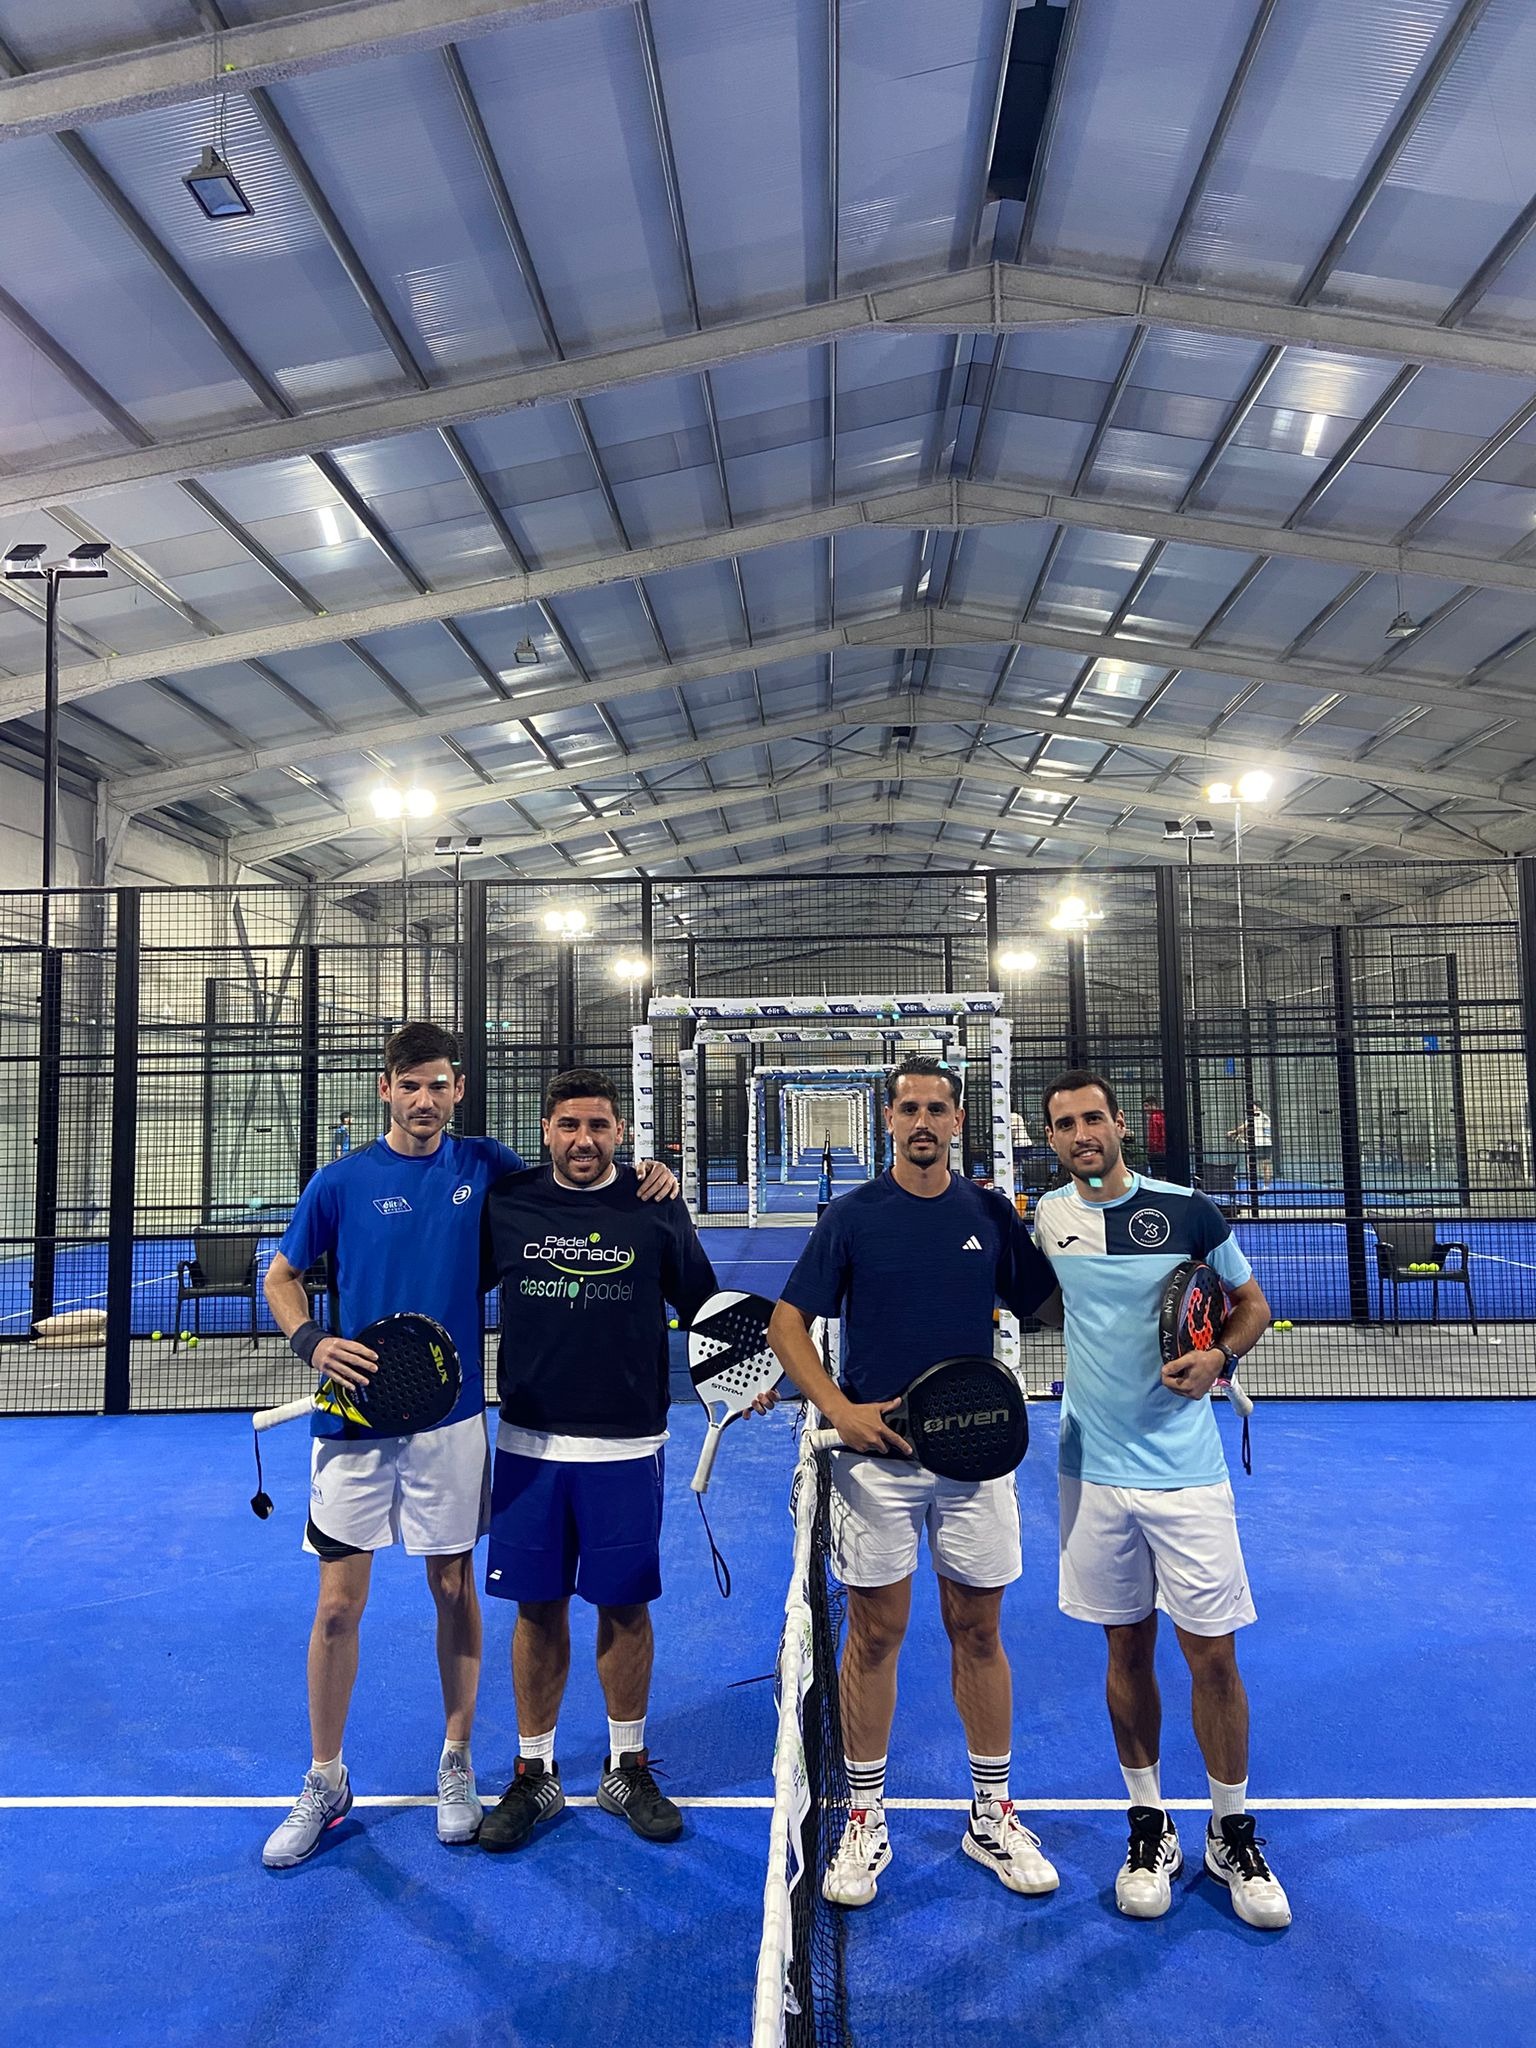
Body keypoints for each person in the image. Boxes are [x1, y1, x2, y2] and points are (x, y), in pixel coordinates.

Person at [259, 1026, 676, 1870]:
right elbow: (282, 1276)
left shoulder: (486, 1166)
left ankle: (456, 1764)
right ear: (386, 1089)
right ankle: (325, 1778)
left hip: (449, 1425)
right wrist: (311, 1342)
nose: (425, 1100)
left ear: (458, 1091)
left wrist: (646, 1174)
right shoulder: (339, 1182)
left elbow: (573, 1177)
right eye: (410, 1084)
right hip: (351, 1423)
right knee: (337, 1607)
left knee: (454, 1587)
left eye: (439, 1085)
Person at [768, 1056, 1059, 1908]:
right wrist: (837, 1408)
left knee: (979, 1629)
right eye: (909, 1109)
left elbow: (1054, 1304)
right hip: (876, 1466)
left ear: (958, 1121)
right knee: (874, 1634)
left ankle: (992, 1813)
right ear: (888, 1121)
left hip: (976, 1458)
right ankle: (863, 1816)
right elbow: (788, 1324)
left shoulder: (990, 1214)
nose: (923, 1122)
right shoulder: (853, 1217)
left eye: (937, 1109)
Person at [1036, 1069, 1290, 1930]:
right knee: (1126, 1651)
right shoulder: (1048, 1219)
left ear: (1119, 1124)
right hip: (1091, 1473)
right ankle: (1149, 1824)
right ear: (1052, 1138)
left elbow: (1251, 1304)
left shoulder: (1188, 1211)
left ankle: (1230, 1831)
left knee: (1212, 1658)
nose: (1082, 1135)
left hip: (1185, 1471)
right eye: (1065, 1124)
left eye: (1093, 1119)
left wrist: (1221, 1356)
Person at [476, 1067, 722, 1854]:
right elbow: (451, 1287)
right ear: (546, 1130)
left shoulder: (655, 1204)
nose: (583, 1140)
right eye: (569, 1125)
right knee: (536, 1609)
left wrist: (739, 1380)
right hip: (529, 1445)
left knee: (624, 1606)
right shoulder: (508, 1203)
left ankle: (626, 1767)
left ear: (621, 1132)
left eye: (598, 1126)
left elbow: (705, 1307)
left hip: (627, 1445)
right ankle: (535, 1774)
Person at [1227, 1102, 1273, 1189]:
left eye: (1253, 1106)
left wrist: (1232, 1132)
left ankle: (1253, 1186)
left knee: (1251, 1165)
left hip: (1257, 1144)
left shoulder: (1254, 1117)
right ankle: (1266, 1186)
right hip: (1267, 1143)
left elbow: (1243, 1128)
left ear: (1258, 1107)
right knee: (1266, 1166)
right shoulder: (1266, 1117)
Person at [1141, 1098, 1166, 1175]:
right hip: (1164, 1150)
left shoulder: (1153, 1117)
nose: (1144, 1109)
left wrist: (1152, 1149)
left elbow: (1154, 1136)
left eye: (1146, 1106)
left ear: (1153, 1105)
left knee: (1156, 1174)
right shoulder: (1162, 1115)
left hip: (1156, 1151)